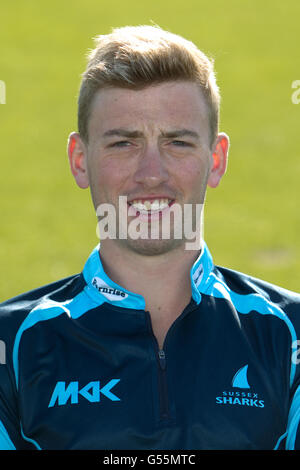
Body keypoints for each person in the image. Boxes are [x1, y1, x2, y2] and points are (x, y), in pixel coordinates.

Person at [0, 25, 299, 451]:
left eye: (177, 142)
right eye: (124, 144)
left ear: (216, 160)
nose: (152, 174)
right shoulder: (12, 347)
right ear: (80, 160)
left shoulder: (290, 336)